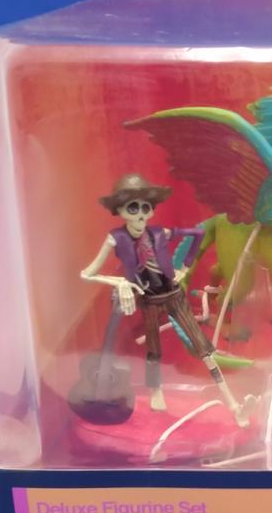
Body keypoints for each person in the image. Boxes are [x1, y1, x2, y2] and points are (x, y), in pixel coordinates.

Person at [79, 173, 245, 422]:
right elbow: (87, 274)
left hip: (174, 294)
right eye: (133, 208)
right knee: (154, 349)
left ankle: (232, 403)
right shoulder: (116, 238)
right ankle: (156, 391)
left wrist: (185, 267)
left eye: (145, 208)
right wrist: (121, 282)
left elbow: (197, 234)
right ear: (120, 210)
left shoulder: (159, 233)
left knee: (204, 348)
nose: (140, 215)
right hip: (149, 299)